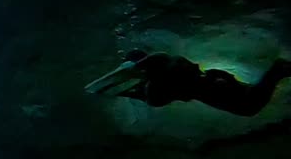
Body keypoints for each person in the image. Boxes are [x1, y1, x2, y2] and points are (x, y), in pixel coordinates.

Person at [85, 49, 291, 117]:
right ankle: (279, 70)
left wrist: (116, 87)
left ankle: (279, 69)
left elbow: (153, 98)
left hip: (214, 91)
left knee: (250, 105)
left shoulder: (160, 78)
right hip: (215, 86)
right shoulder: (167, 68)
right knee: (251, 100)